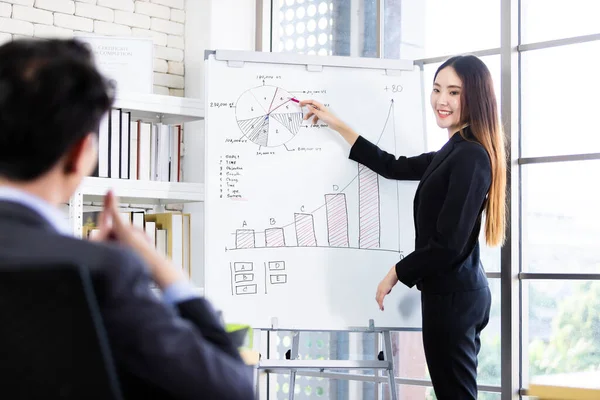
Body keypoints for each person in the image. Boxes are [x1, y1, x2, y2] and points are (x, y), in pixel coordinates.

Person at [0, 38, 254, 399]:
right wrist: (163, 269)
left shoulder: (96, 266)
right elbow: (233, 391)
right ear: (80, 154)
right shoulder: (102, 270)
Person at [300, 55, 506, 399]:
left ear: (475, 98)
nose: (442, 100)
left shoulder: (470, 155)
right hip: (453, 293)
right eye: (438, 89)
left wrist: (395, 271)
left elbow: (448, 245)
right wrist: (336, 124)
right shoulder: (454, 150)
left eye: (454, 93)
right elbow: (392, 166)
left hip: (454, 297)